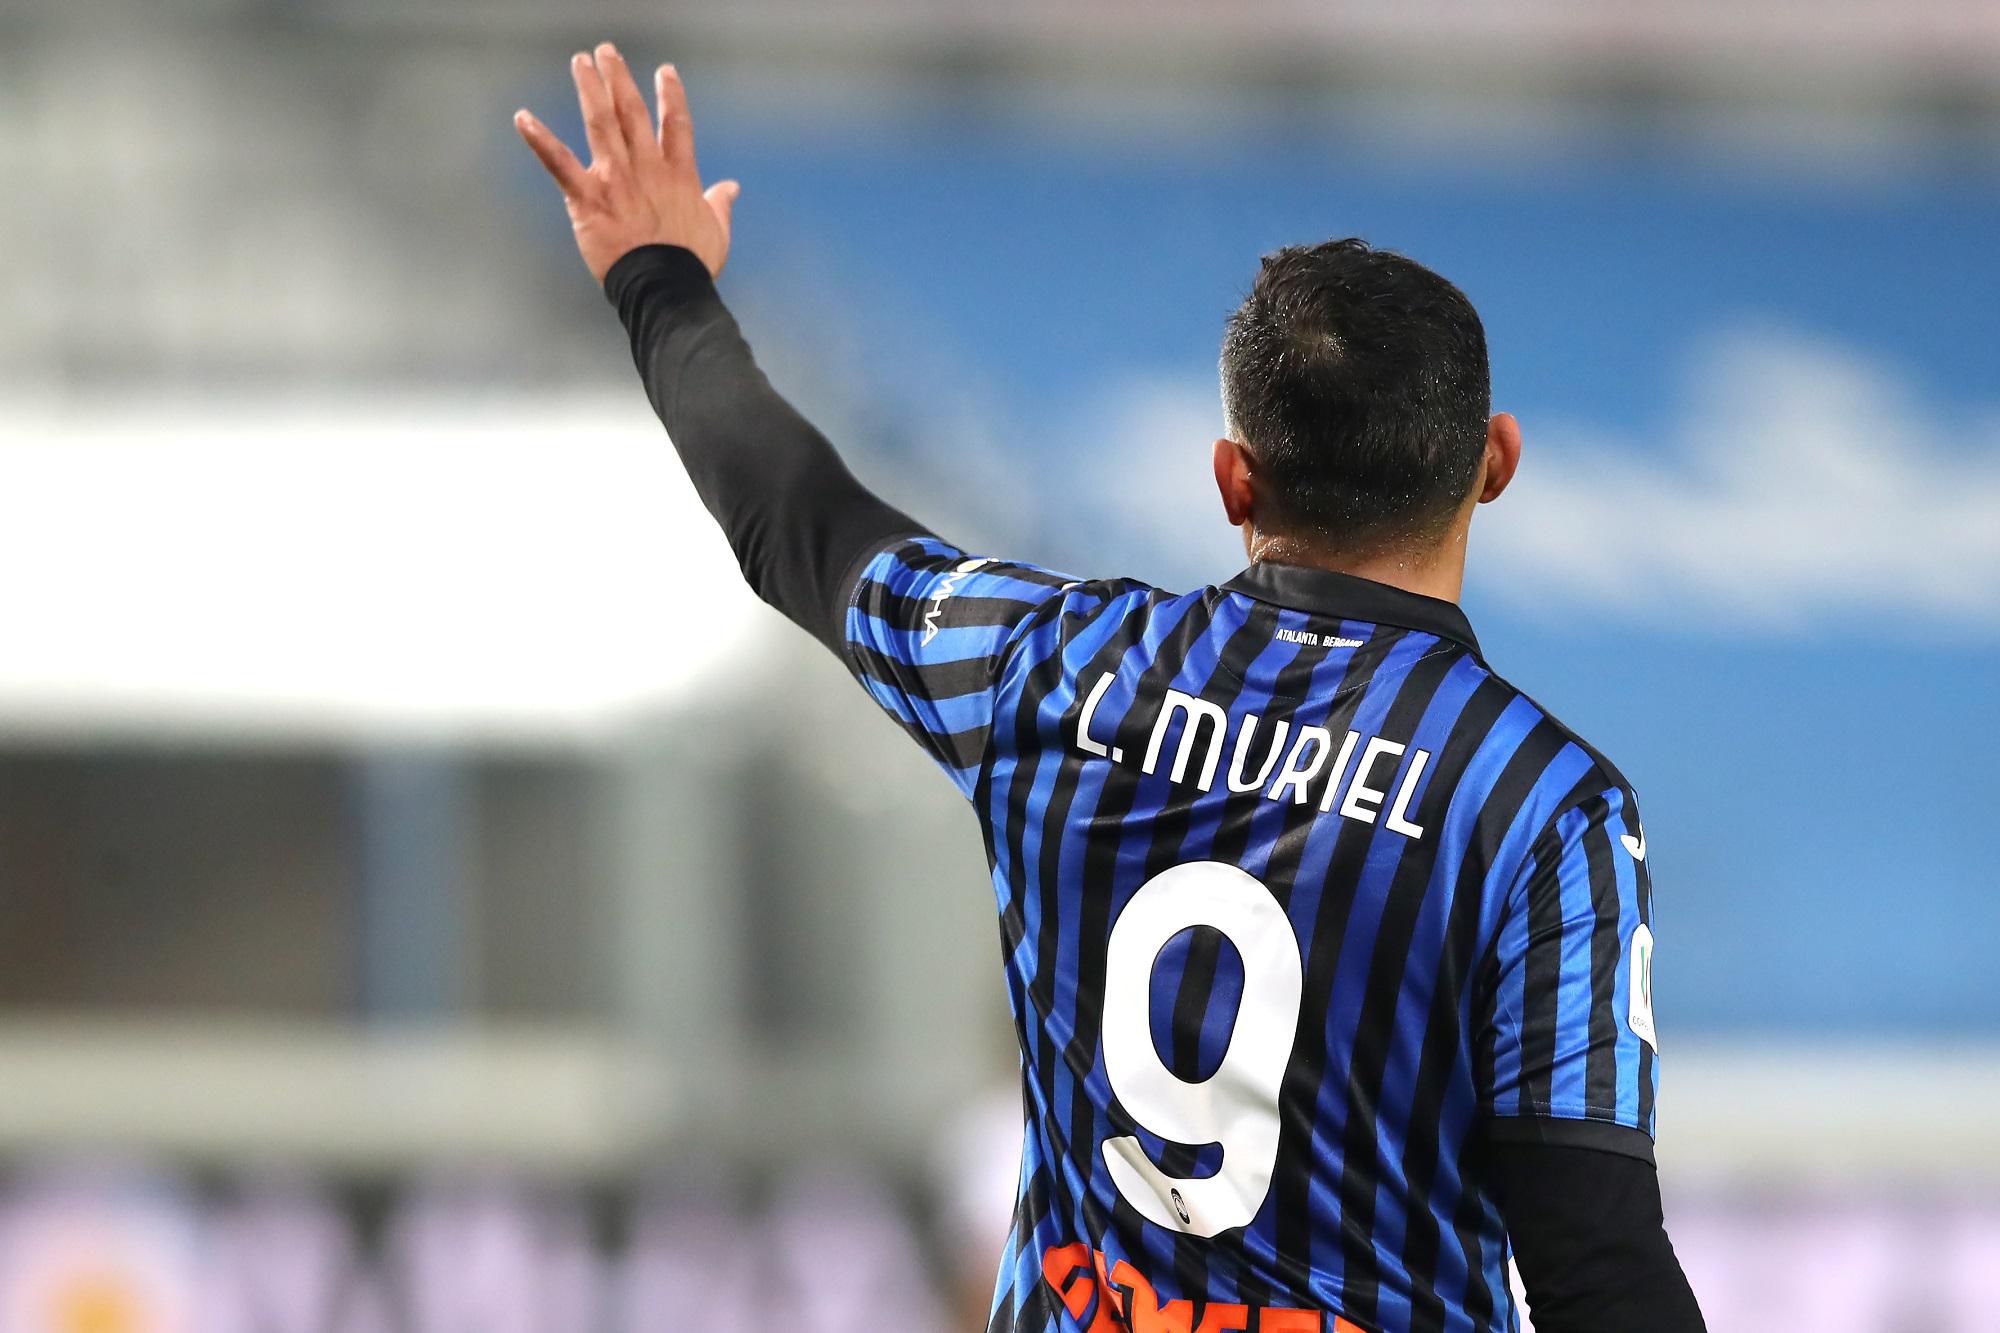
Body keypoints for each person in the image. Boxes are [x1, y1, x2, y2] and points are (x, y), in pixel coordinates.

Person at [514, 45, 1708, 1333]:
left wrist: (658, 279)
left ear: (1233, 478)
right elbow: (1596, 1264)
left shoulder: (1054, 668)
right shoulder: (1540, 806)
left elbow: (794, 521)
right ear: (1496, 463)